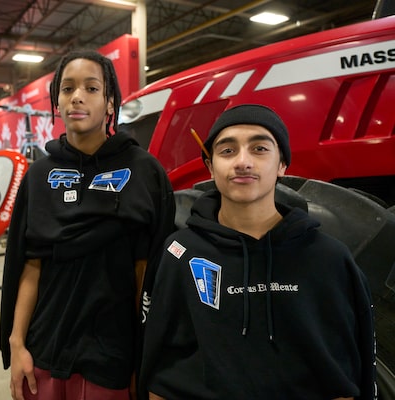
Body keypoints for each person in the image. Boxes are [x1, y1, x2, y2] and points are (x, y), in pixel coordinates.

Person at [139, 104, 377, 400]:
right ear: (211, 167)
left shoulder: (328, 258)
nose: (243, 162)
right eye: (227, 151)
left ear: (282, 164)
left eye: (260, 149)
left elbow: (347, 369)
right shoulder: (180, 254)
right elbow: (160, 364)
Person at [0, 49, 176, 400]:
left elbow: (148, 273)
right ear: (57, 101)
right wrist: (17, 344)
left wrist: (144, 358)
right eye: (67, 89)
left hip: (111, 356)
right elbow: (30, 265)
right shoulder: (39, 175)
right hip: (45, 348)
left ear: (110, 103)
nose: (77, 96)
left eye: (91, 88)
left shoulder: (143, 171)